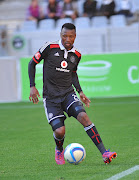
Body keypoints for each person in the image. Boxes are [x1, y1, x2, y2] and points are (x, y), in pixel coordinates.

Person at [28, 23, 117, 165]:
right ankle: (59, 149)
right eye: (64, 36)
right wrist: (32, 86)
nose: (67, 39)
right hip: (51, 98)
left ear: (75, 37)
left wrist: (80, 92)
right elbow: (31, 63)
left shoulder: (76, 55)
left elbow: (73, 74)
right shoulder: (49, 47)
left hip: (68, 94)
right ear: (60, 35)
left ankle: (104, 152)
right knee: (60, 131)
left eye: (70, 36)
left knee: (84, 117)